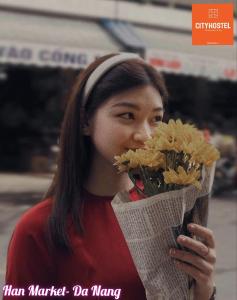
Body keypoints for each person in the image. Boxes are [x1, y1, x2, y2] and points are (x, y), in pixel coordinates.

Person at [4, 53, 216, 300]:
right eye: (127, 115)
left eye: (156, 119)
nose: (145, 135)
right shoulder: (38, 229)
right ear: (85, 121)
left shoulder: (172, 213)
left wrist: (203, 290)